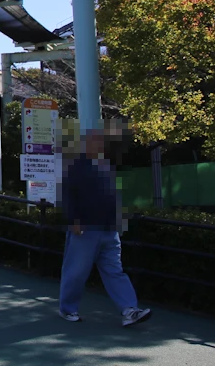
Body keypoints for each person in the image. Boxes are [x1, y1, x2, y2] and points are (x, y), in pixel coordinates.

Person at [57, 128, 151, 327]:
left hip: (109, 228)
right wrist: (73, 220)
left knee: (115, 270)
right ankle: (68, 309)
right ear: (86, 143)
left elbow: (112, 197)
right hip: (86, 228)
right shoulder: (75, 166)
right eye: (96, 141)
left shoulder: (105, 165)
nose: (100, 145)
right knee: (76, 271)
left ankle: (129, 310)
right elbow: (67, 195)